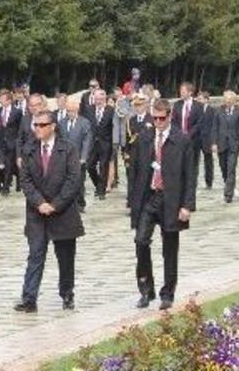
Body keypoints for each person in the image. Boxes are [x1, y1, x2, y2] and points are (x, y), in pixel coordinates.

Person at [130, 98, 196, 310]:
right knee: (140, 241)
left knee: (169, 248)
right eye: (154, 118)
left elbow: (190, 175)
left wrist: (187, 205)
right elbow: (136, 171)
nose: (158, 122)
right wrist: (132, 201)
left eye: (161, 118)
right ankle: (146, 289)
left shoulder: (182, 139)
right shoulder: (145, 137)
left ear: (169, 116)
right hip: (149, 197)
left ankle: (168, 292)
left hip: (171, 199)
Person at [14, 110, 84, 313]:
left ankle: (67, 293)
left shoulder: (67, 149)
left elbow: (73, 180)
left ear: (52, 126)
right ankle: (29, 298)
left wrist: (55, 204)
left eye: (42, 125)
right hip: (37, 212)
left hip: (62, 211)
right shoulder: (29, 150)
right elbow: (25, 181)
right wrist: (39, 203)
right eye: (35, 125)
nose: (37, 129)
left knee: (65, 257)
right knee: (35, 254)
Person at [212, 90, 239, 203]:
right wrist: (213, 143)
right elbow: (214, 128)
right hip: (221, 143)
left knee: (231, 169)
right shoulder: (218, 110)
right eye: (225, 100)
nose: (227, 102)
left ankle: (228, 194)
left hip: (234, 144)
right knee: (224, 168)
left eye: (229, 100)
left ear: (234, 100)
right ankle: (227, 184)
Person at [58, 99, 92, 212]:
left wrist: (83, 157)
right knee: (66, 182)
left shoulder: (84, 123)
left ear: (77, 110)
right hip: (65, 158)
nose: (70, 113)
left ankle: (80, 203)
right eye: (68, 111)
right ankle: (69, 203)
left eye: (72, 111)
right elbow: (59, 140)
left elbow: (87, 141)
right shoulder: (62, 122)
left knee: (79, 182)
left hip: (78, 158)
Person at [84, 89, 114, 199]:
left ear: (104, 98)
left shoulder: (111, 110)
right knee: (90, 166)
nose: (98, 101)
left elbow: (113, 128)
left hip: (105, 143)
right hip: (92, 143)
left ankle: (101, 192)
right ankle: (98, 185)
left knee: (103, 166)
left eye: (101, 99)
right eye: (96, 98)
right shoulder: (89, 109)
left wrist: (113, 143)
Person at [195, 91, 217, 190]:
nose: (199, 101)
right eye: (198, 99)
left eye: (201, 99)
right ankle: (193, 182)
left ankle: (209, 182)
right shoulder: (194, 110)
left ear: (206, 100)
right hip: (196, 139)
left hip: (207, 140)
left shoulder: (212, 110)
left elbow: (214, 126)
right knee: (194, 162)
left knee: (208, 161)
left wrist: (214, 141)